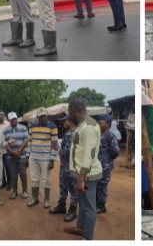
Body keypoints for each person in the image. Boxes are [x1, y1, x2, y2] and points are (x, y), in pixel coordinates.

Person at [64, 98, 102, 240]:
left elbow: (89, 154)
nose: (69, 114)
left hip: (87, 176)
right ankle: (80, 227)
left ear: (73, 110)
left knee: (89, 207)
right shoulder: (83, 125)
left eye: (69, 111)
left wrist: (81, 179)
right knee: (83, 203)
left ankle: (87, 235)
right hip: (82, 174)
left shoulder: (89, 127)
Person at [27, 107, 59, 208]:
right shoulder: (32, 126)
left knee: (46, 179)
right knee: (34, 179)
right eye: (41, 116)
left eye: (45, 116)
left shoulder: (53, 127)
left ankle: (46, 200)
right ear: (37, 117)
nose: (43, 118)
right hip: (33, 157)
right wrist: (28, 155)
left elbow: (55, 144)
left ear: (47, 116)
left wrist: (52, 160)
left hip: (46, 158)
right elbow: (30, 142)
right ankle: (34, 198)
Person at [49, 115, 79, 222]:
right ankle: (61, 206)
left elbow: (67, 152)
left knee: (73, 189)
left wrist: (57, 148)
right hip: (65, 166)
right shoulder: (69, 133)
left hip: (71, 167)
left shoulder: (73, 134)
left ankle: (73, 210)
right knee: (63, 186)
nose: (62, 123)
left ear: (70, 121)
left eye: (64, 121)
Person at [96, 114, 120, 214]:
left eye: (101, 123)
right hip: (97, 166)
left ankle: (101, 206)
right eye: (98, 123)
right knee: (96, 185)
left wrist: (107, 160)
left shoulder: (110, 136)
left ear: (107, 124)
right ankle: (96, 204)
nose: (98, 124)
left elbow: (115, 151)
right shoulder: (97, 135)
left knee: (102, 186)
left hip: (105, 166)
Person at [3, 112, 29, 200]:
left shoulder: (23, 128)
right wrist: (12, 152)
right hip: (10, 156)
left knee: (23, 174)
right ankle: (14, 191)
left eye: (15, 119)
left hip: (22, 155)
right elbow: (5, 144)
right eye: (12, 119)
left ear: (17, 119)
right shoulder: (6, 130)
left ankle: (24, 191)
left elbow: (26, 141)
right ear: (9, 120)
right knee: (13, 175)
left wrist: (18, 151)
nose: (14, 121)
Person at [0, 110, 11, 190]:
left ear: (4, 116)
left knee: (7, 167)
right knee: (0, 167)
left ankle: (9, 183)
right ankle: (3, 182)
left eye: (2, 114)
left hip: (7, 149)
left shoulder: (8, 124)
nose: (1, 116)